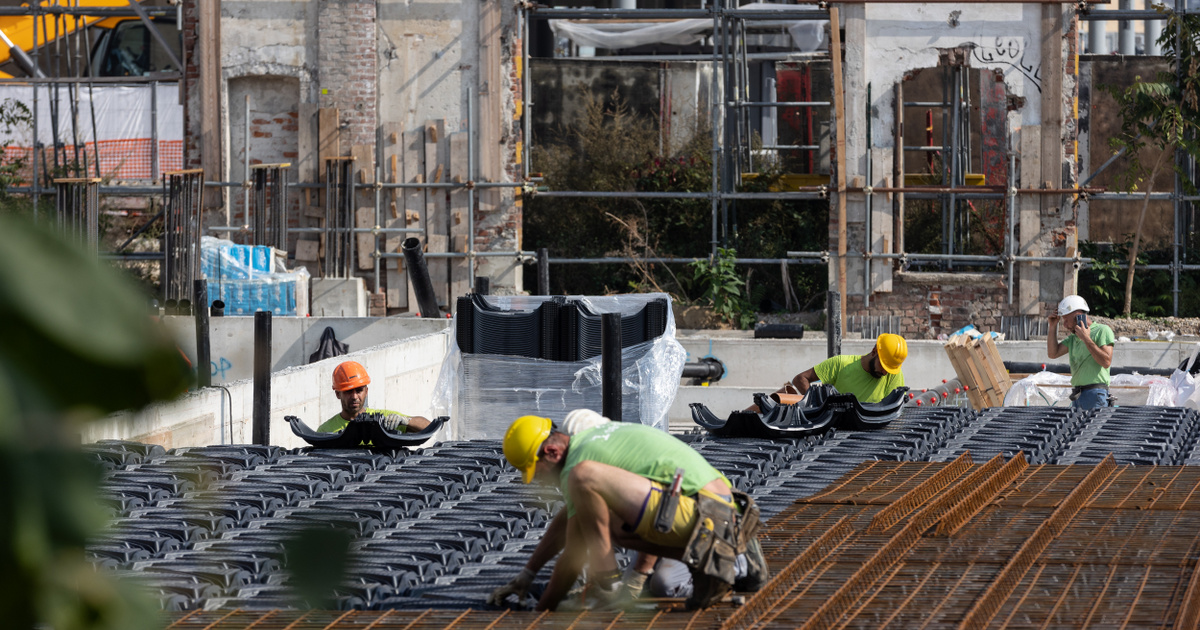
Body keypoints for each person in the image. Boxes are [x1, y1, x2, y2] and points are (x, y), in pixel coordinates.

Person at [488, 411, 767, 611]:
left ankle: (732, 562)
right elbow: (565, 522)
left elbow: (574, 551)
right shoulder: (595, 440)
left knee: (592, 497)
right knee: (593, 514)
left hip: (708, 515)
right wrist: (527, 574)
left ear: (551, 452)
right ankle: (722, 561)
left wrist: (543, 611)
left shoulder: (579, 465)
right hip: (719, 510)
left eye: (536, 472)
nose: (539, 480)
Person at [772, 333, 908, 404]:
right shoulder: (841, 364)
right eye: (883, 366)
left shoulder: (893, 372)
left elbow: (894, 408)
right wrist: (816, 404)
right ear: (874, 352)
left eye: (889, 369)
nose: (885, 372)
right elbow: (800, 379)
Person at [316, 360, 431, 433]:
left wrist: (406, 421)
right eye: (348, 392)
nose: (354, 396)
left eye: (359, 390)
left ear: (366, 391)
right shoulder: (326, 430)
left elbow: (428, 427)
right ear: (337, 394)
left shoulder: (384, 419)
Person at [1047, 295, 1114, 409]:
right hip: (1078, 394)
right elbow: (1053, 354)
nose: (1065, 325)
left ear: (1078, 316)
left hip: (1095, 394)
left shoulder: (1102, 330)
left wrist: (1086, 339)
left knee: (1094, 427)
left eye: (1066, 320)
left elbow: (1106, 361)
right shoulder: (1073, 338)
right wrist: (1052, 326)